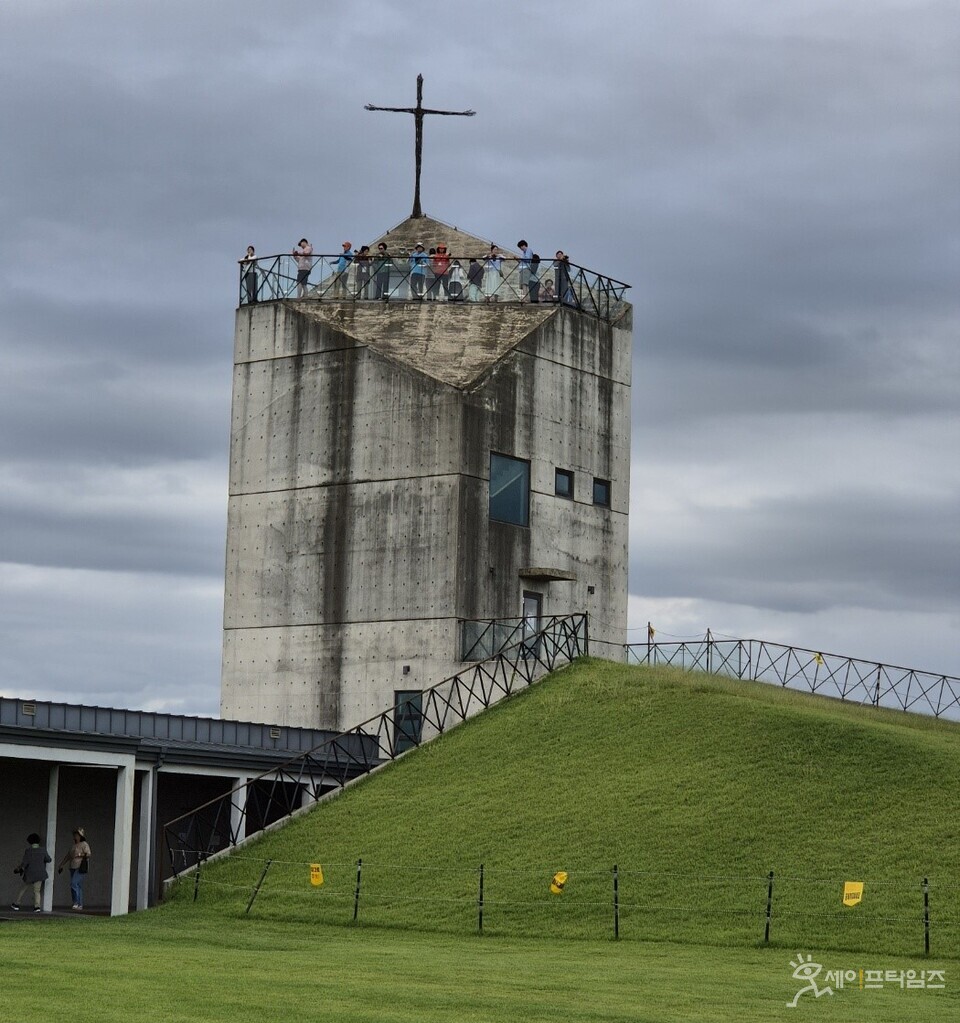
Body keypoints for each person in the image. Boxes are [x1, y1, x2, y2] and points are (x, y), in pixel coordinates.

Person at [11, 833, 51, 912]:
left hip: (29, 874)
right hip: (40, 874)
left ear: (30, 841)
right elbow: (49, 859)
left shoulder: (28, 851)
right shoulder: (43, 850)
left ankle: (17, 904)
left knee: (23, 889)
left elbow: (25, 863)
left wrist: (19, 868)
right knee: (37, 891)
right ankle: (37, 907)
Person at [57, 827, 91, 911]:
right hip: (72, 866)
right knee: (77, 886)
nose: (75, 836)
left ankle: (77, 902)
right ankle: (78, 903)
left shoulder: (84, 844)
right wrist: (61, 864)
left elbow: (88, 854)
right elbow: (68, 856)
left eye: (77, 835)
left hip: (80, 867)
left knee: (74, 883)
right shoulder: (73, 846)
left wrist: (79, 855)